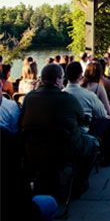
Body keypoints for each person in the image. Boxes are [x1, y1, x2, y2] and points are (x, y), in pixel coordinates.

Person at [19, 63, 99, 197]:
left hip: (34, 151)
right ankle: (79, 183)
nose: (63, 81)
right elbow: (82, 119)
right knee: (93, 143)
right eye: (62, 78)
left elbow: (21, 121)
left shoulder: (29, 98)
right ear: (57, 80)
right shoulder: (68, 99)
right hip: (64, 152)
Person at [64, 62, 110, 166]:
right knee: (108, 122)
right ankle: (108, 156)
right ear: (80, 75)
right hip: (85, 128)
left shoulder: (62, 93)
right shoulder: (90, 94)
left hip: (65, 130)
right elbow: (103, 113)